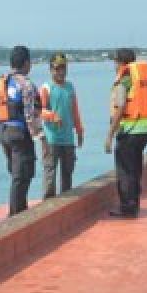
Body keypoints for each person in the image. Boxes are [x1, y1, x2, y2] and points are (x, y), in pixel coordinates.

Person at [104, 48, 147, 218]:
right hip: (144, 131)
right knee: (135, 169)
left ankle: (127, 208)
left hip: (129, 132)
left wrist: (110, 135)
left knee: (125, 171)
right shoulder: (144, 81)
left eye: (115, 62)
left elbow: (120, 108)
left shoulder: (124, 81)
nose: (114, 65)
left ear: (120, 62)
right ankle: (134, 204)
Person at [0, 45, 42, 216]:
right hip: (20, 134)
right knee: (22, 175)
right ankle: (15, 214)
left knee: (16, 173)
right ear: (27, 63)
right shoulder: (27, 85)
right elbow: (30, 115)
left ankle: (20, 209)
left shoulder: (2, 81)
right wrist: (39, 136)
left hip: (4, 133)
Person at [39, 52, 85, 198]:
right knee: (50, 173)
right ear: (51, 69)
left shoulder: (70, 87)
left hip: (68, 138)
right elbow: (39, 110)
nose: (61, 72)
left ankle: (65, 201)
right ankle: (48, 203)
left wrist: (79, 131)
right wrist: (52, 116)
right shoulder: (46, 87)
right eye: (57, 68)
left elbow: (75, 111)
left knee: (68, 172)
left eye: (63, 68)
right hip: (51, 138)